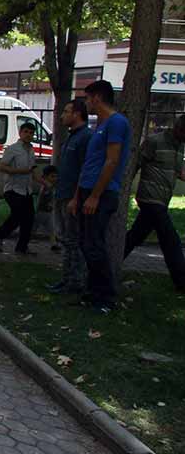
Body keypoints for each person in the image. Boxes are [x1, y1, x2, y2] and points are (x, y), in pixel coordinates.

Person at [69, 79, 131, 313]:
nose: (87, 104)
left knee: (95, 245)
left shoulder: (116, 123)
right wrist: (78, 196)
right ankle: (91, 293)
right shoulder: (101, 125)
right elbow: (89, 164)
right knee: (86, 244)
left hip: (102, 193)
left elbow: (112, 161)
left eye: (88, 98)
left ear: (97, 97)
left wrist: (95, 196)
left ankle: (106, 298)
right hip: (87, 189)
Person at [123, 114, 185, 291]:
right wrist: (125, 192)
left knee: (135, 236)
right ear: (179, 129)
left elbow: (177, 172)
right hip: (149, 199)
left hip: (163, 200)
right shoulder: (154, 141)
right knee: (170, 240)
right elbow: (135, 165)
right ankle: (181, 281)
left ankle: (109, 263)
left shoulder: (180, 148)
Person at [49, 99, 93, 295]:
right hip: (62, 193)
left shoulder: (85, 138)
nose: (62, 115)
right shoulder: (71, 137)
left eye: (66, 111)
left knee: (73, 240)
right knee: (65, 239)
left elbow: (85, 170)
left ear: (76, 114)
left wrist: (76, 198)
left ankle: (75, 281)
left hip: (72, 198)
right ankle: (66, 279)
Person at [0, 122, 39, 254]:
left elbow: (32, 170)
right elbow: (2, 167)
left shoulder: (31, 150)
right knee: (18, 215)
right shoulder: (12, 149)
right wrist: (19, 171)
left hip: (26, 190)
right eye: (26, 132)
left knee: (29, 219)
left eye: (31, 133)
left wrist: (42, 181)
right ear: (20, 133)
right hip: (13, 189)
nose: (28, 135)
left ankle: (22, 247)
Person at [35, 165, 59, 250]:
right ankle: (23, 241)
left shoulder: (51, 186)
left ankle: (54, 244)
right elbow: (40, 180)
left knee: (52, 230)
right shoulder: (47, 185)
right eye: (52, 176)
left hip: (48, 212)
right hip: (41, 212)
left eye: (56, 176)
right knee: (33, 229)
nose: (55, 178)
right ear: (45, 177)